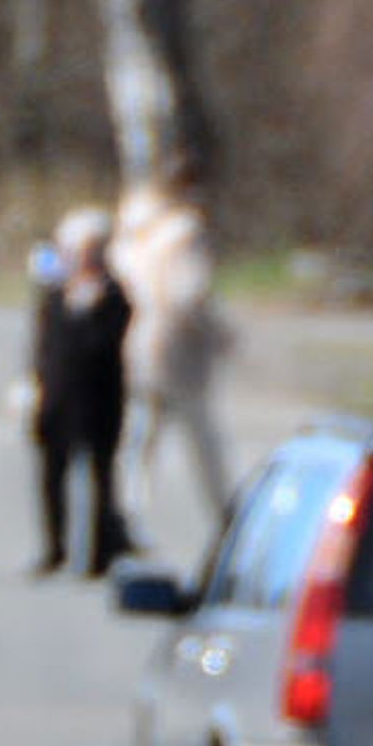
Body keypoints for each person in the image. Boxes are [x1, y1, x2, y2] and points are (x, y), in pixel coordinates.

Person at [108, 159, 235, 548]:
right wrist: (218, 333)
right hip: (177, 344)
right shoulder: (184, 233)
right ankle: (226, 517)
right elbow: (187, 292)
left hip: (138, 336)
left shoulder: (135, 232)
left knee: (141, 439)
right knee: (202, 439)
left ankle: (128, 514)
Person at [29, 206, 134, 575]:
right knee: (50, 476)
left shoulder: (115, 295)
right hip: (57, 398)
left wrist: (89, 308)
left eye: (90, 248)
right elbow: (42, 345)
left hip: (99, 400)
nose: (82, 256)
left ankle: (99, 554)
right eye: (75, 248)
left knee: (99, 478)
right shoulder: (55, 294)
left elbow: (105, 343)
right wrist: (32, 384)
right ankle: (53, 549)